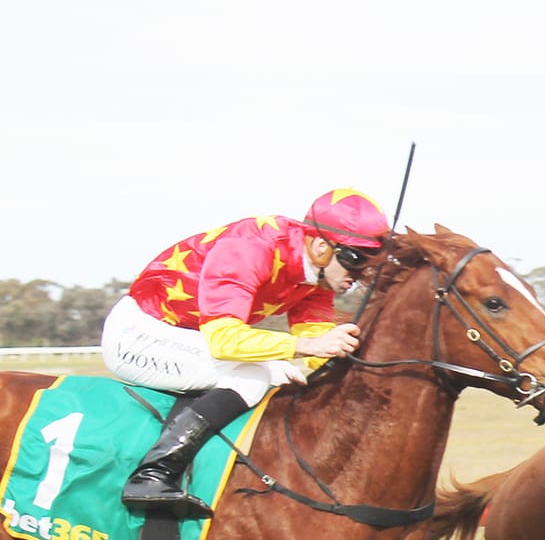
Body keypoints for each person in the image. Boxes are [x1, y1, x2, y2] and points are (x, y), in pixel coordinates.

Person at [102, 188, 392, 515]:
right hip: (141, 333)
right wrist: (306, 345)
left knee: (287, 375)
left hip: (187, 337)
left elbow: (319, 350)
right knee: (253, 376)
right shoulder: (251, 249)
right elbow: (225, 341)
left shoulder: (316, 278)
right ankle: (152, 475)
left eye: (370, 264)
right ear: (322, 247)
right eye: (356, 261)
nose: (360, 275)